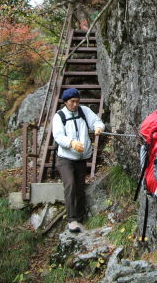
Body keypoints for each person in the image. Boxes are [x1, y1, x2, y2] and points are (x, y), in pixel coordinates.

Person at [52, 88, 104, 233]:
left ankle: (80, 218)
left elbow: (97, 121)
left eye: (77, 101)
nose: (75, 104)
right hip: (65, 159)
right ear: (66, 102)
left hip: (81, 158)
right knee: (70, 185)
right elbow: (58, 136)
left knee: (80, 187)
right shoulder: (59, 116)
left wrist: (98, 128)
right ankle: (72, 220)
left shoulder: (84, 111)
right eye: (72, 102)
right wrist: (72, 143)